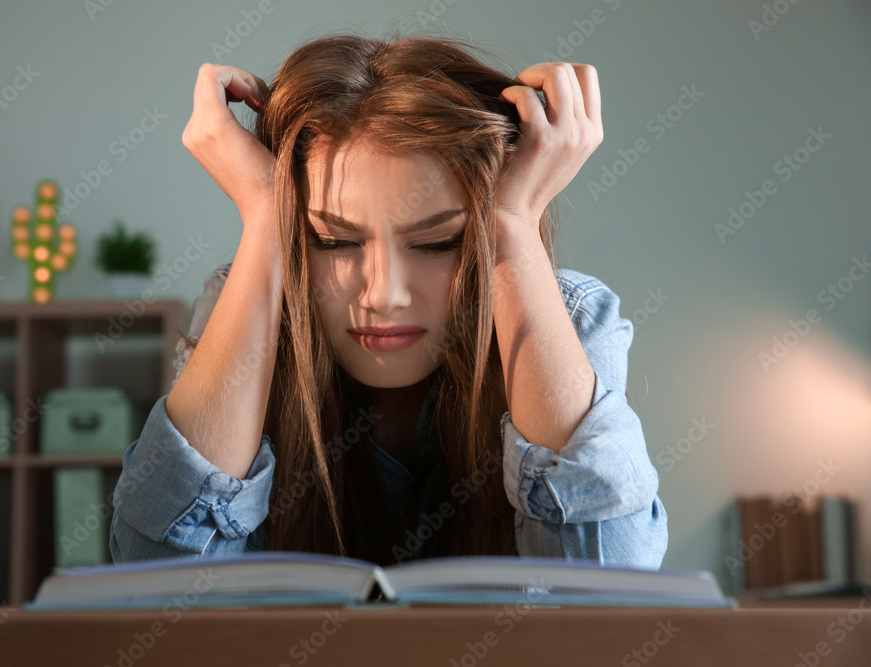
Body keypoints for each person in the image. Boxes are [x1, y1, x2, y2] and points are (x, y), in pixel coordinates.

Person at [109, 30, 667, 568]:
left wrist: (513, 221)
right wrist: (263, 213)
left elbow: (608, 579)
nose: (385, 296)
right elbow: (159, 584)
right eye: (334, 241)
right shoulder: (254, 299)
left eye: (438, 242)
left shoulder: (568, 315)